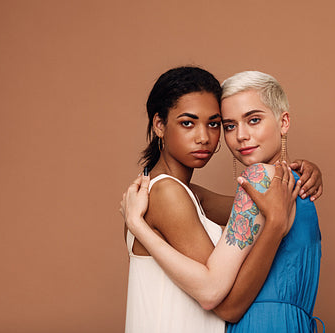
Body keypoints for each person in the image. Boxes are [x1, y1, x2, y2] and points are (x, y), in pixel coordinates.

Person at [121, 67, 323, 333]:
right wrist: (137, 226)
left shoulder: (188, 194)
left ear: (283, 121)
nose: (204, 137)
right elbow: (215, 294)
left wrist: (308, 172)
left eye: (214, 124)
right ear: (159, 125)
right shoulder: (167, 194)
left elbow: (231, 206)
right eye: (187, 123)